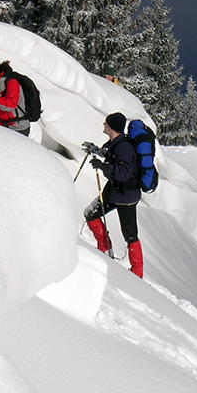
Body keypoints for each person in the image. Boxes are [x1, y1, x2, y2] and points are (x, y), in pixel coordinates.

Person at [82, 112, 144, 278]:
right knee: (90, 214)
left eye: (106, 123)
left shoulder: (123, 146)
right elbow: (110, 154)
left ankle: (137, 272)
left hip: (125, 195)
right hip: (117, 192)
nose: (103, 125)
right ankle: (104, 250)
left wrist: (103, 167)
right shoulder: (116, 142)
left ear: (111, 127)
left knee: (130, 234)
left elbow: (124, 172)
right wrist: (96, 151)